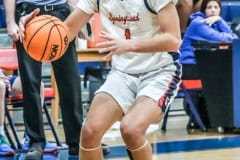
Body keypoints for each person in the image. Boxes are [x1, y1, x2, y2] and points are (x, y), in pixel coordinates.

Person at [19, 0, 182, 159]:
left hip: (159, 72)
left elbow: (173, 40)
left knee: (131, 129)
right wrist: (33, 30)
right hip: (122, 73)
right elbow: (66, 32)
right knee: (90, 131)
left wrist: (130, 45)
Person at [4, 0, 84, 159]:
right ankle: (36, 142)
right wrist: (10, 21)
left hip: (61, 15)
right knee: (30, 84)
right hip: (28, 15)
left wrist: (78, 18)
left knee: (71, 83)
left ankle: (77, 142)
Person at [180, 0, 238, 129]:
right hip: (189, 67)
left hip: (204, 65)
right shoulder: (198, 23)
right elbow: (222, 38)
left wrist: (220, 21)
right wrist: (222, 24)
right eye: (209, 7)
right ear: (203, 10)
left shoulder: (216, 23)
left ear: (220, 11)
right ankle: (222, 120)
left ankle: (225, 120)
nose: (212, 10)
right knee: (224, 79)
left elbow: (234, 37)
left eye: (216, 7)